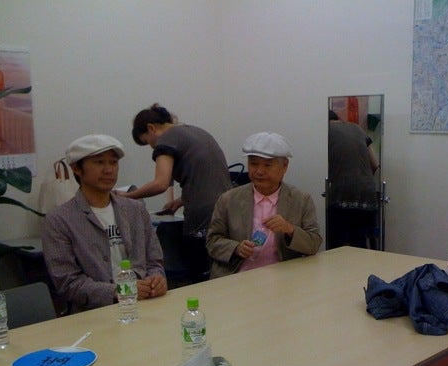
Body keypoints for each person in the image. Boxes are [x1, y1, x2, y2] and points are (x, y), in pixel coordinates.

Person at [42, 134, 167, 313]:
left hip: (145, 306)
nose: (108, 170)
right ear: (77, 168)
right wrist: (118, 291)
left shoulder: (136, 210)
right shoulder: (59, 220)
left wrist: (157, 279)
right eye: (99, 162)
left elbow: (154, 261)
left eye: (113, 162)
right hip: (94, 313)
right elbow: (67, 282)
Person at [121, 103, 232, 282]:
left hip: (203, 218)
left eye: (147, 142)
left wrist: (127, 196)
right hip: (228, 210)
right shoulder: (196, 131)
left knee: (197, 273)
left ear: (151, 128)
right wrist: (180, 200)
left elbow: (160, 184)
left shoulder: (166, 139)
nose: (151, 147)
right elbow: (206, 177)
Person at [206, 132, 322, 278]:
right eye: (254, 164)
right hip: (238, 276)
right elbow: (212, 241)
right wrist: (236, 248)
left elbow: (313, 244)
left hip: (284, 277)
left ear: (285, 166)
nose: (259, 171)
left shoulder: (301, 200)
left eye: (268, 165)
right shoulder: (228, 199)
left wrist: (290, 229)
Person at [327, 110, 379, 249]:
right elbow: (375, 164)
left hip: (341, 194)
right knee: (359, 242)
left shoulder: (325, 131)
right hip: (368, 193)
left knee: (337, 246)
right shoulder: (357, 128)